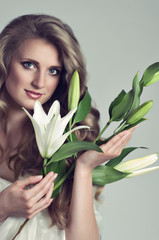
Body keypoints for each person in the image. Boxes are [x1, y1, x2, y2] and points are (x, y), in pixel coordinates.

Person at [0, 14, 136, 240]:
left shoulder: (69, 138)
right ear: (4, 62)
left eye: (53, 71)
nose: (40, 82)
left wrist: (84, 170)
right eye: (29, 65)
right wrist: (3, 207)